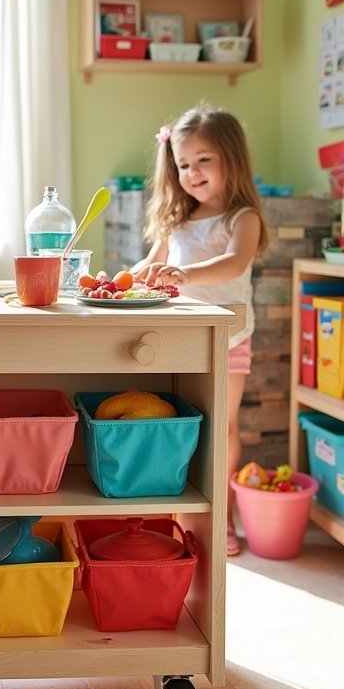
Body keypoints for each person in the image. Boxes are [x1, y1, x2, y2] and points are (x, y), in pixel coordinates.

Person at [132, 105, 269, 556]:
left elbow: (233, 262)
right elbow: (150, 265)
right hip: (182, 339)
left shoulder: (242, 217)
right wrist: (118, 281)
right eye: (184, 164)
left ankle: (223, 515)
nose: (192, 173)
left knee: (223, 426)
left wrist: (183, 274)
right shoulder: (177, 222)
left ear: (231, 157)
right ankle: (183, 507)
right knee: (180, 420)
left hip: (229, 338)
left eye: (203, 160)